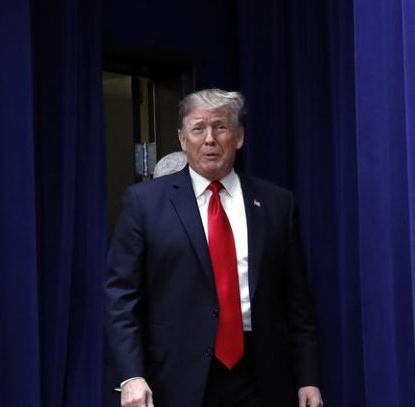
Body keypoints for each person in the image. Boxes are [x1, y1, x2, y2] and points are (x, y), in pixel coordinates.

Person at [105, 89, 323, 407]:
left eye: (220, 127)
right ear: (182, 139)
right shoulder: (144, 203)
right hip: (174, 377)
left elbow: (298, 301)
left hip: (260, 376)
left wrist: (308, 379)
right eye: (198, 128)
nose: (209, 139)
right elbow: (120, 298)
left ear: (239, 137)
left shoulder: (277, 204)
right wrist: (131, 376)